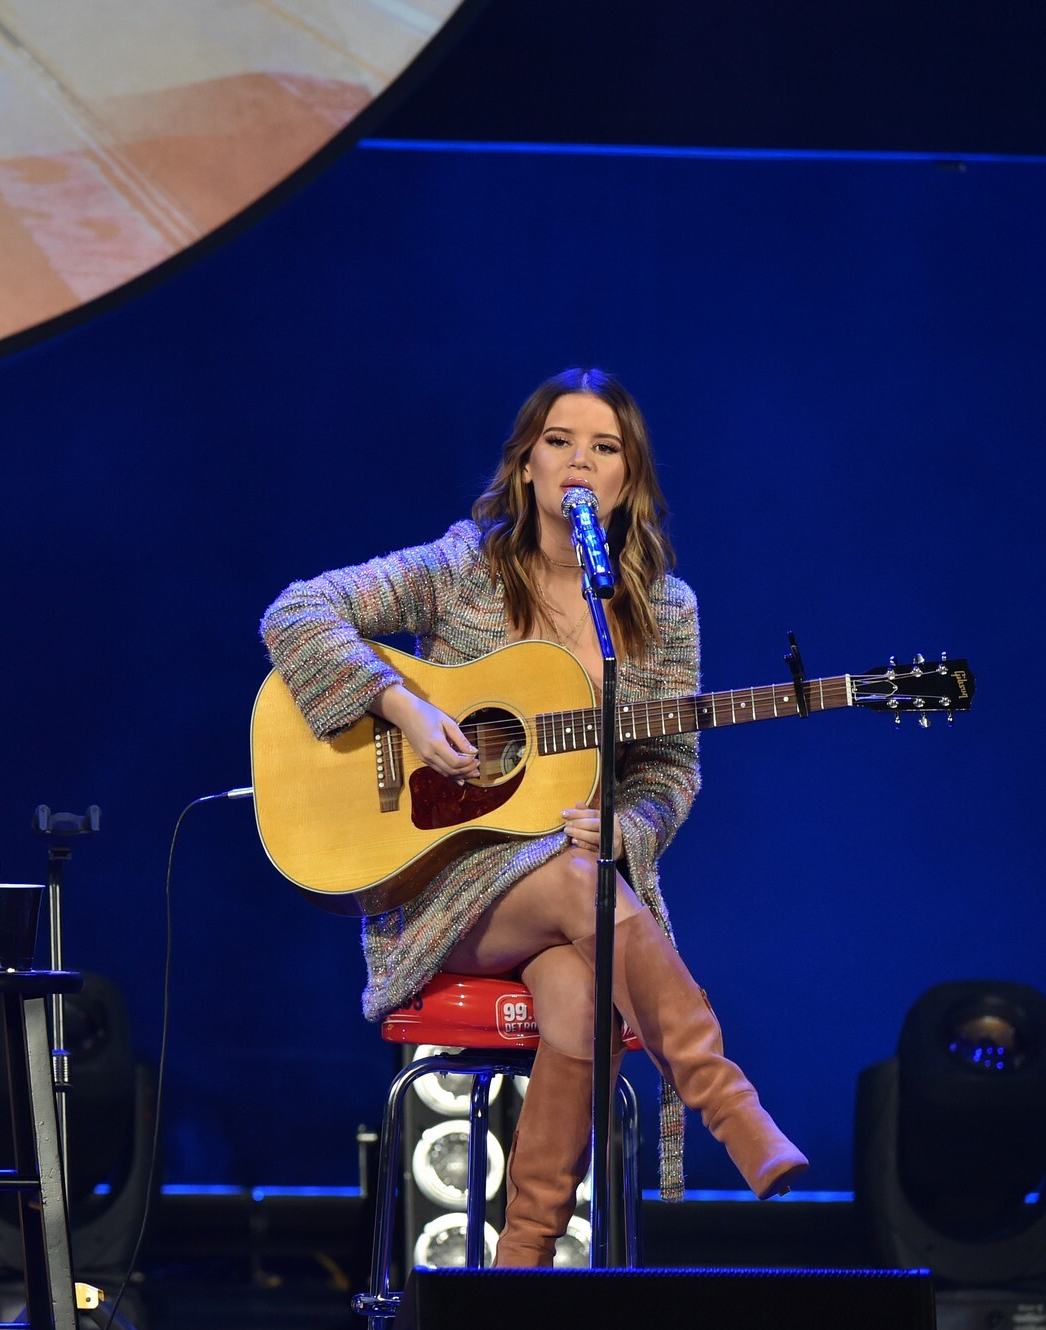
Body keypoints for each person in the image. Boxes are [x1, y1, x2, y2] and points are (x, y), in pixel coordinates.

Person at [260, 368, 804, 1267]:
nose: (579, 461)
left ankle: (520, 1267)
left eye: (604, 447)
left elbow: (669, 772)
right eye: (559, 441)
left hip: (575, 888)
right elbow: (298, 610)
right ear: (526, 466)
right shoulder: (463, 569)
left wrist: (626, 828)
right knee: (585, 887)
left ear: (628, 478)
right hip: (447, 885)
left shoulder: (664, 611)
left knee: (584, 1001)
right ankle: (728, 1102)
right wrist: (401, 705)